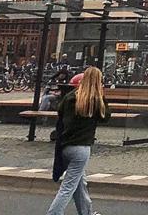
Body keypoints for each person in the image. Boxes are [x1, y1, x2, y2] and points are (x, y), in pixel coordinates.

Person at [46, 67, 110, 215]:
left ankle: (86, 212)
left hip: (66, 145)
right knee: (68, 187)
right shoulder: (95, 100)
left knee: (80, 183)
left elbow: (60, 111)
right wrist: (102, 95)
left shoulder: (71, 96)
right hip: (82, 148)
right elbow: (105, 117)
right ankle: (54, 213)